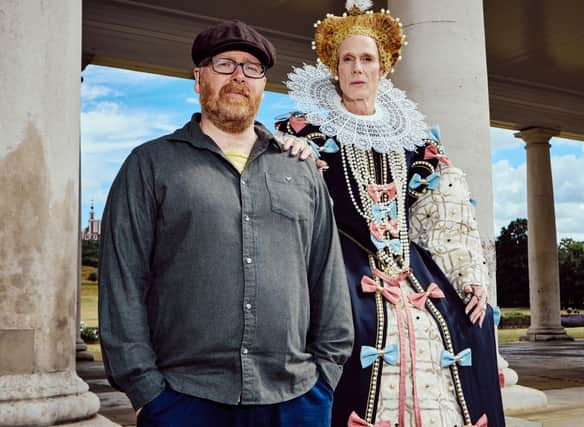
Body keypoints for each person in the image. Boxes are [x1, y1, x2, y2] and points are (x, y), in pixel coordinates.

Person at [98, 19, 354, 427]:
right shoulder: (149, 165)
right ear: (198, 78)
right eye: (224, 64)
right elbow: (123, 280)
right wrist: (146, 391)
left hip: (297, 399)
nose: (239, 75)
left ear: (262, 85)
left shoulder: (300, 169)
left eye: (252, 68)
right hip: (184, 398)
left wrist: (325, 376)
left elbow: (327, 274)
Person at [275, 2, 506, 426]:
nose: (357, 68)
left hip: (409, 261)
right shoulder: (309, 131)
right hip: (341, 261)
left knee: (465, 323)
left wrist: (469, 274)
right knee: (352, 328)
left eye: (367, 59)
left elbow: (444, 208)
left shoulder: (415, 139)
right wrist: (297, 158)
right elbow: (289, 202)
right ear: (334, 67)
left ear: (383, 68)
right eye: (348, 59)